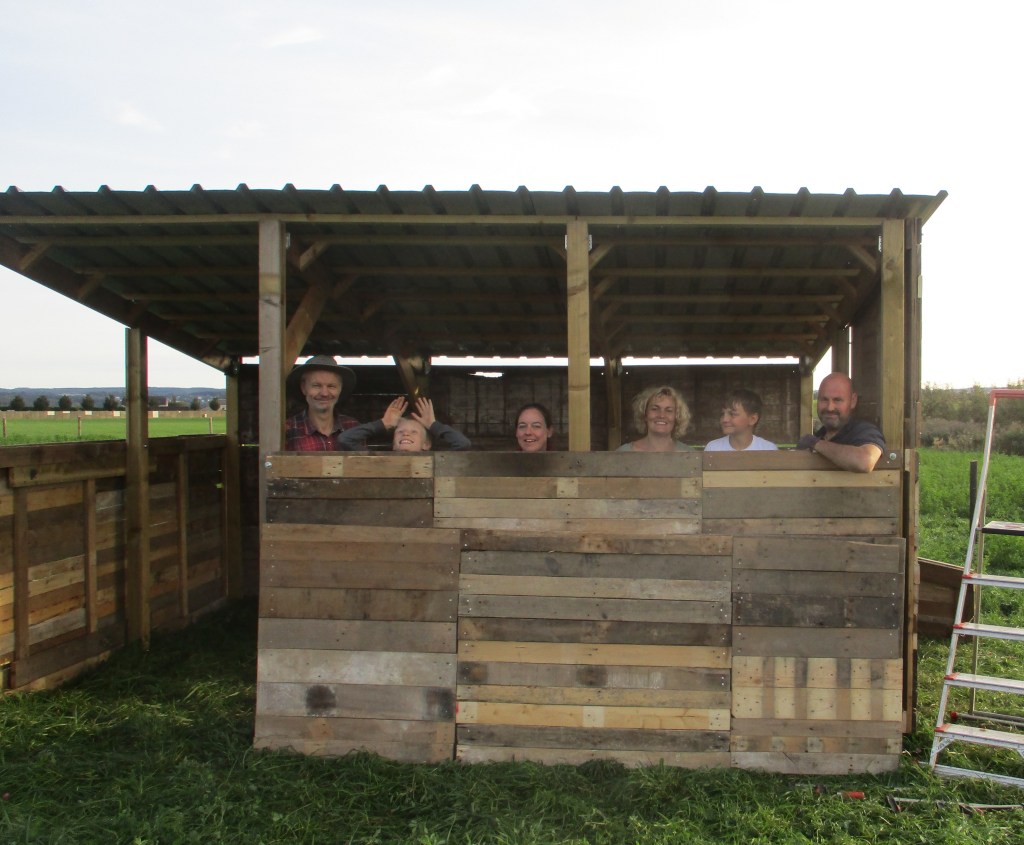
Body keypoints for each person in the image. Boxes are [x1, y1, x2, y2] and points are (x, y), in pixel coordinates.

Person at [796, 372, 885, 472]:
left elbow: (865, 461)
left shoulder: (865, 431)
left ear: (853, 401)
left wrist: (815, 443)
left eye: (837, 400)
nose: (830, 408)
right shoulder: (820, 436)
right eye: (824, 400)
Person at [338, 396, 471, 451]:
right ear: (393, 444)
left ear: (426, 444)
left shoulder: (438, 461)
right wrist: (383, 423)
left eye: (414, 432)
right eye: (400, 431)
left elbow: (463, 444)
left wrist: (433, 425)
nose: (406, 434)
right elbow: (344, 439)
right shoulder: (379, 460)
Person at [284, 354, 359, 451]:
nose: (324, 393)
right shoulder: (287, 430)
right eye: (316, 386)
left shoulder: (353, 427)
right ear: (303, 388)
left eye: (331, 386)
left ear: (340, 389)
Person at [617, 385, 692, 452]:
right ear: (644, 414)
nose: (661, 415)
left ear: (677, 417)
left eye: (669, 410)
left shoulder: (690, 455)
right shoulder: (623, 453)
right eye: (655, 409)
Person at [704, 389, 778, 452]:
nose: (724, 419)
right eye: (722, 414)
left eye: (732, 414)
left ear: (752, 419)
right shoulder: (713, 448)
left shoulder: (768, 449)